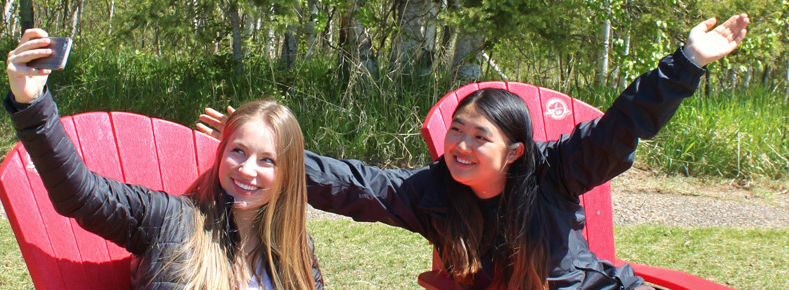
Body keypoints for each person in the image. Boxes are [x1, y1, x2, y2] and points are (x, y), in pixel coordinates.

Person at [199, 14, 749, 289]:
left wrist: (689, 62)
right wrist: (266, 150)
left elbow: (620, 129)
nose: (460, 144)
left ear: (513, 152)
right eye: (456, 129)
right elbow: (351, 182)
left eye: (478, 136)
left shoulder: (556, 172)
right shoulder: (429, 194)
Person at [4, 28, 324, 289]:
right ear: (221, 152)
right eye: (238, 151)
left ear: (288, 174)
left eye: (267, 160)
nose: (247, 169)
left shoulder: (296, 247)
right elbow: (82, 196)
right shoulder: (170, 221)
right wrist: (32, 103)